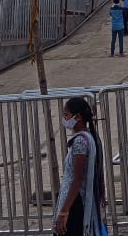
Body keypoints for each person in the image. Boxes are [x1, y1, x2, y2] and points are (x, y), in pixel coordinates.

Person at [53, 97, 107, 236]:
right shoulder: (89, 137)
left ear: (77, 117)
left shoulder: (80, 142)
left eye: (66, 115)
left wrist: (64, 211)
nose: (64, 119)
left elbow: (78, 178)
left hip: (76, 203)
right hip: (77, 201)